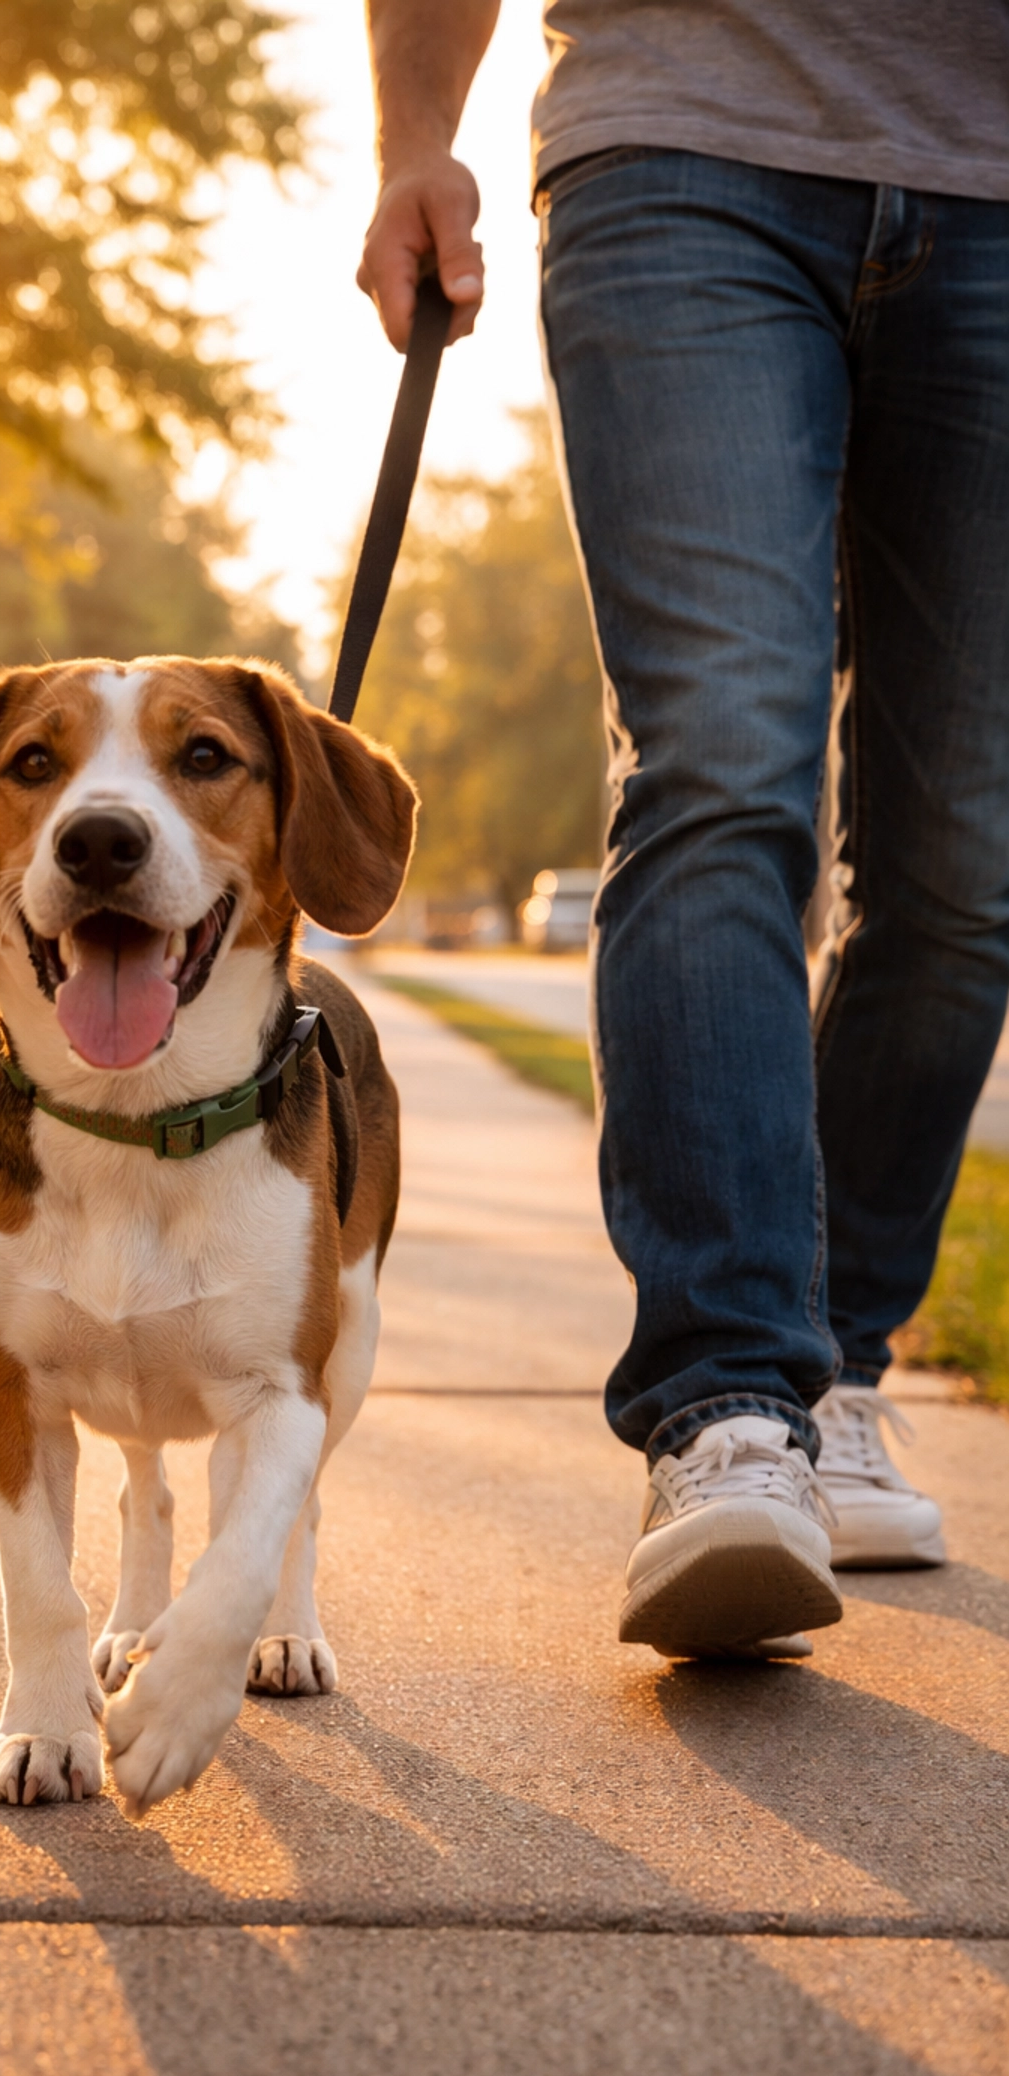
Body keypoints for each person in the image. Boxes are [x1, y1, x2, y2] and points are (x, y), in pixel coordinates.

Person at [357, 1, 1009, 1657]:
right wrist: (413, 135)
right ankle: (728, 1410)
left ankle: (835, 1362)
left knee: (966, 860)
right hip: (681, 143)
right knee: (721, 757)